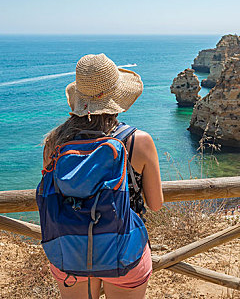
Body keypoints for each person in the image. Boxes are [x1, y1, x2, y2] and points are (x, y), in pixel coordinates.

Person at [42, 54, 163, 299]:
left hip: (70, 251)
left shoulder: (54, 143)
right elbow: (156, 204)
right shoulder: (138, 141)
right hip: (123, 250)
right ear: (118, 97)